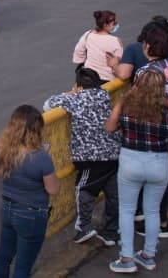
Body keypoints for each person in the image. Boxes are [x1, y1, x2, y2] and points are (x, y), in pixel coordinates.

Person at [106, 69, 168, 273]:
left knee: (127, 210)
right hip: (159, 162)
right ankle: (148, 255)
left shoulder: (126, 104)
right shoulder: (167, 109)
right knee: (152, 210)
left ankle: (126, 258)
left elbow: (110, 127)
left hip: (130, 160)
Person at [43, 66, 120, 246]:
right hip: (113, 152)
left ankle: (84, 227)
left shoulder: (75, 99)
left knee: (84, 189)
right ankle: (110, 231)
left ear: (79, 86)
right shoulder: (104, 95)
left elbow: (48, 104)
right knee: (113, 193)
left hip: (89, 156)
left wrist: (71, 92)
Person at [0, 105, 59, 278]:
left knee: (3, 256)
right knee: (23, 266)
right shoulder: (42, 158)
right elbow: (53, 189)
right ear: (36, 130)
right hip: (32, 214)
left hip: (7, 208)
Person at [71, 10, 124, 82]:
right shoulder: (116, 41)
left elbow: (78, 50)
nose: (116, 25)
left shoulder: (88, 34)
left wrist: (81, 61)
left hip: (89, 77)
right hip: (107, 78)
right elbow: (119, 61)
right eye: (114, 24)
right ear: (105, 25)